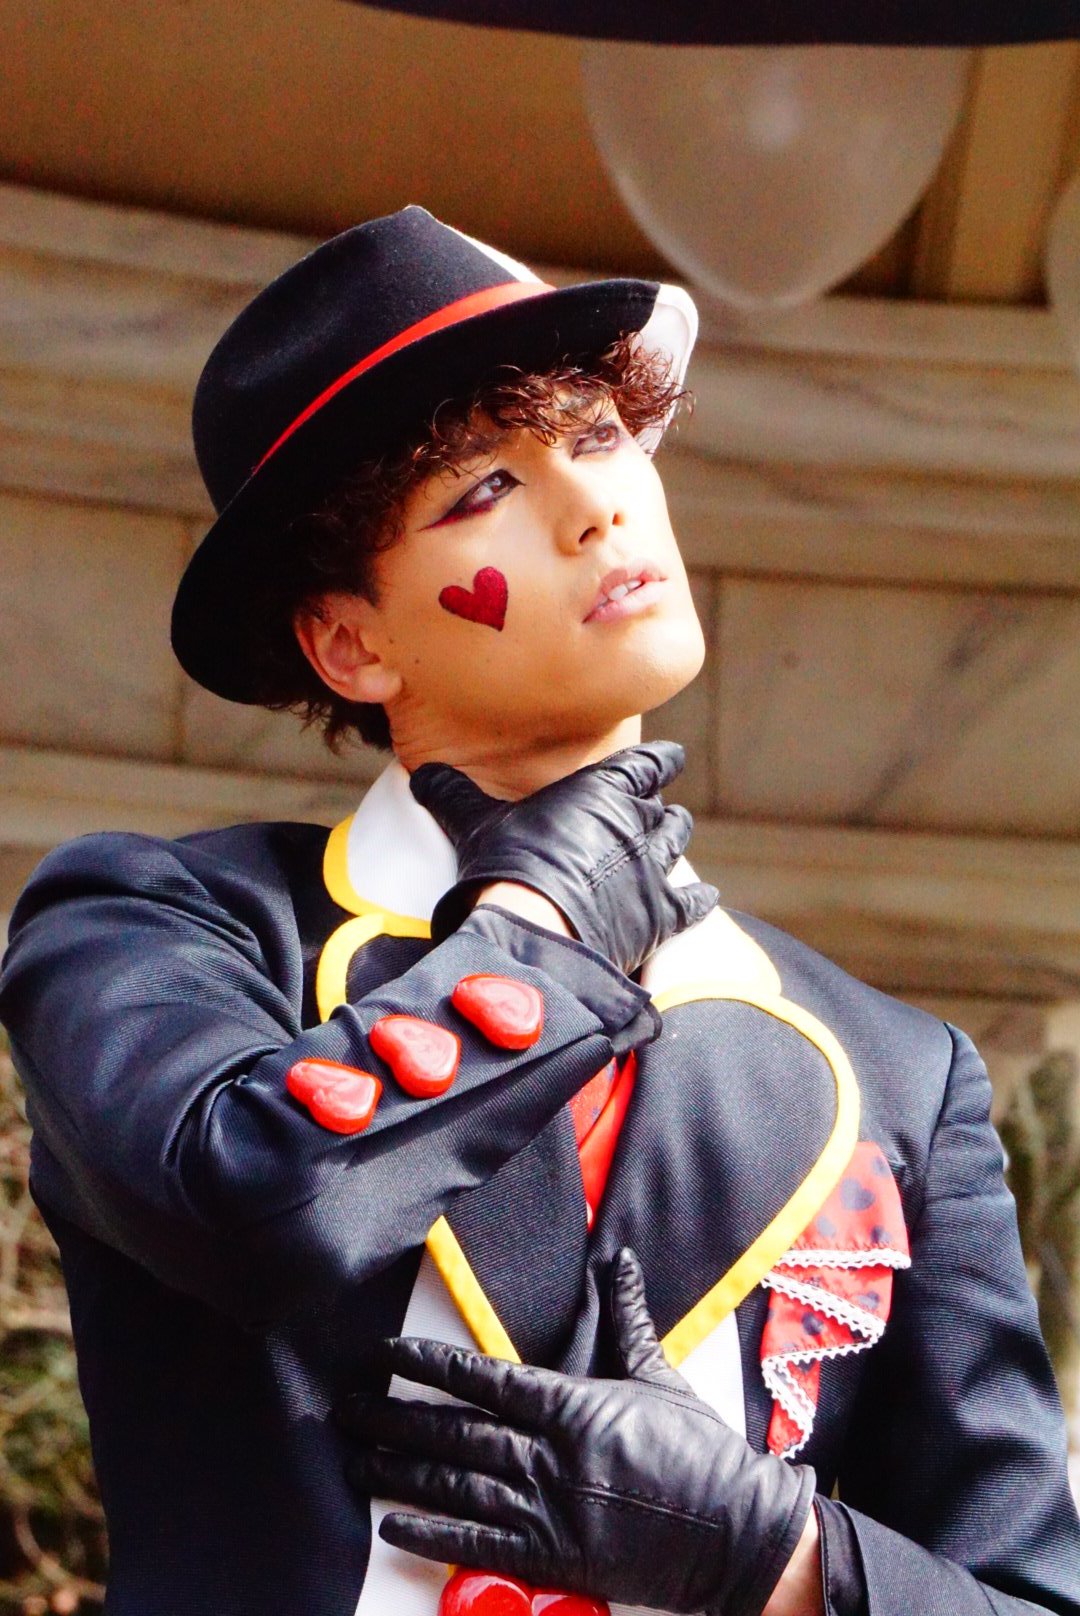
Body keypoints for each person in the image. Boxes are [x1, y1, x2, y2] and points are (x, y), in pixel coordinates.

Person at [0, 205, 1077, 1616]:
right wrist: (547, 926)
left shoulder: (899, 1070)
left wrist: (780, 1560)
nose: (594, 505)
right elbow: (253, 1206)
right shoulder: (157, 921)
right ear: (350, 641)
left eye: (602, 436)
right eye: (482, 489)